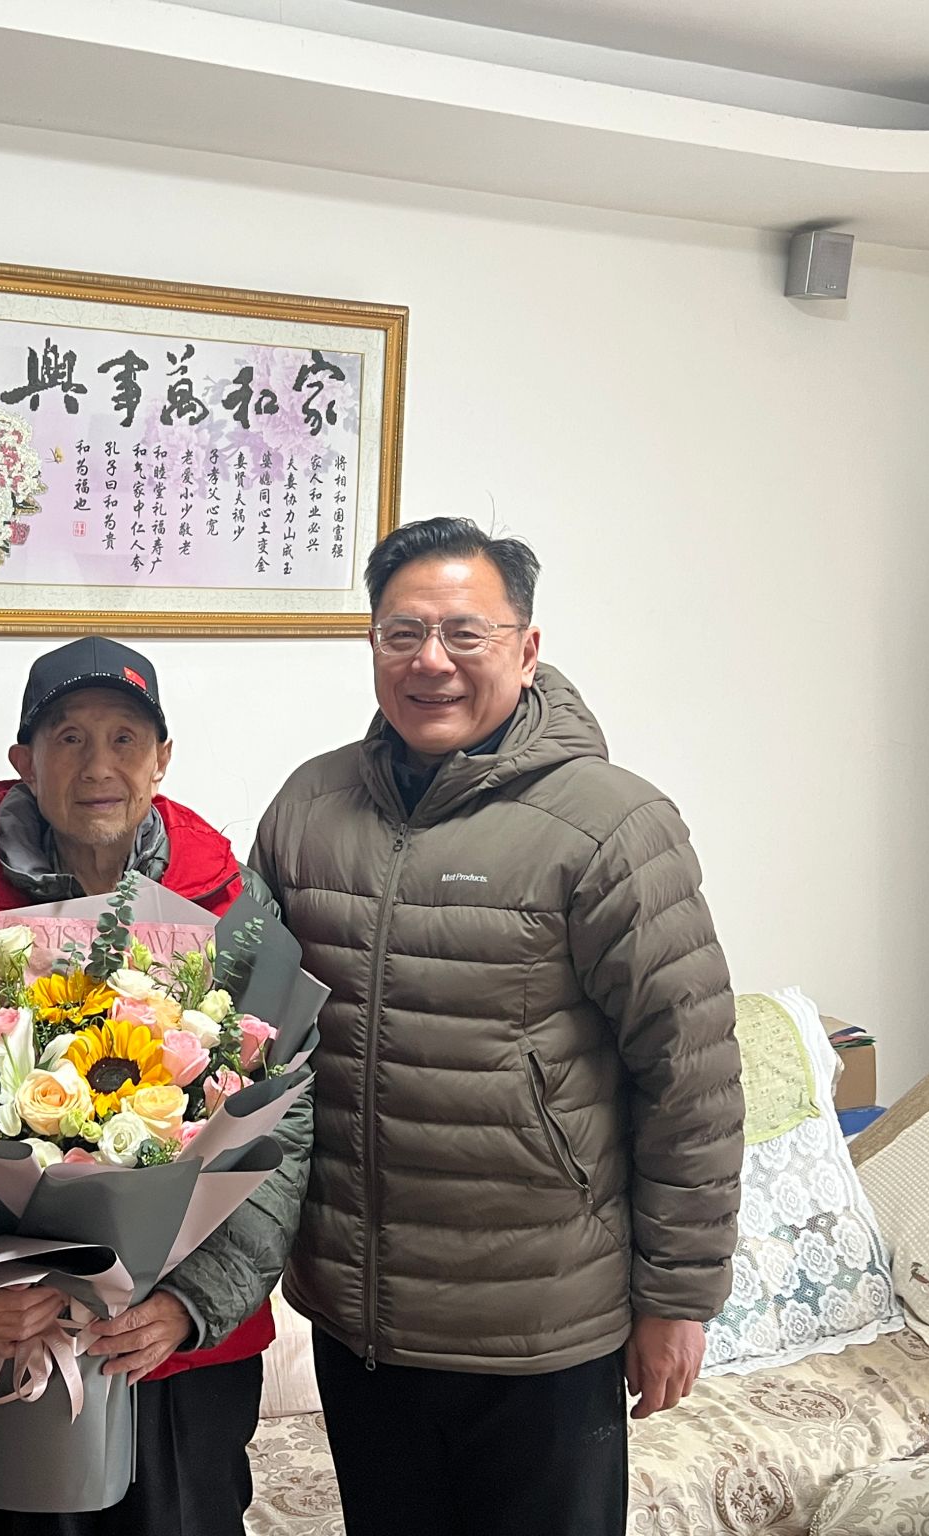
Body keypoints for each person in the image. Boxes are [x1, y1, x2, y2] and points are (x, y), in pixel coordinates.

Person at [249, 517, 743, 1536]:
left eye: (463, 633)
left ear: (525, 648)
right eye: (401, 633)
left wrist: (677, 1299)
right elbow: (251, 1037)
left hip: (541, 1327)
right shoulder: (308, 808)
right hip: (362, 1320)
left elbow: (689, 1073)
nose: (430, 661)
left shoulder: (611, 825)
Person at [0, 636, 310, 1536]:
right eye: (69, 738)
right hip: (8, 1341)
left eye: (125, 739)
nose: (98, 766)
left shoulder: (231, 907)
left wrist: (192, 1303)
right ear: (24, 761)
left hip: (178, 1357)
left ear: (162, 759)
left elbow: (284, 1123)